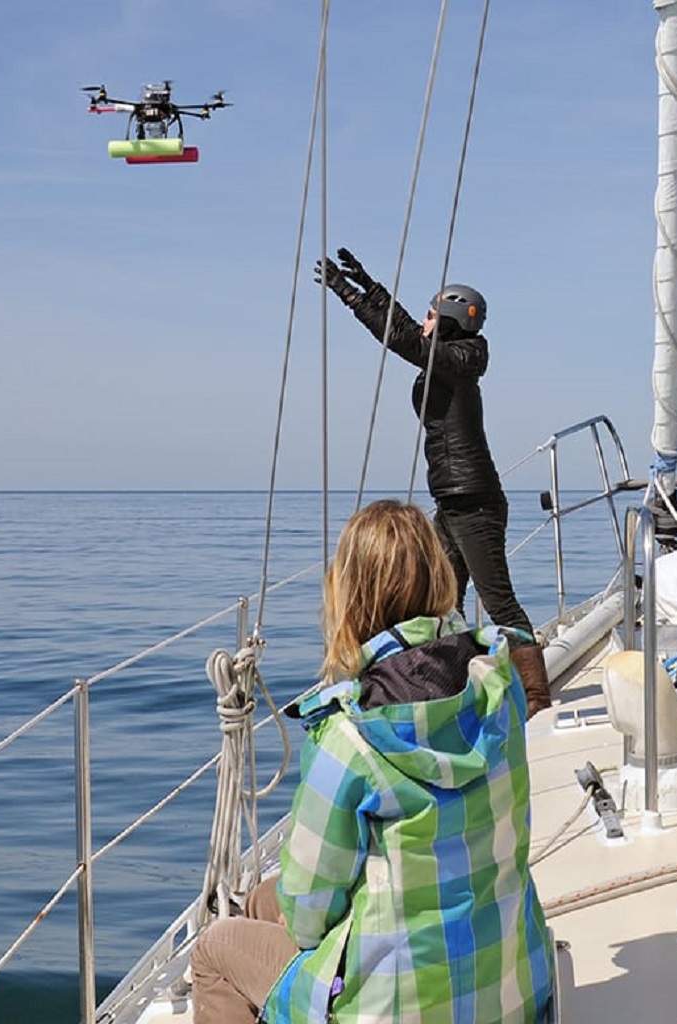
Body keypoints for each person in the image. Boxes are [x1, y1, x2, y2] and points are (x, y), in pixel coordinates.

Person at [191, 499, 555, 1023]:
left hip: (394, 1011)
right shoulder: (501, 695)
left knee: (217, 949)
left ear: (350, 596)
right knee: (260, 902)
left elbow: (310, 917)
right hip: (509, 997)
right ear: (441, 579)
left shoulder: (348, 737)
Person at [314, 249, 551, 718]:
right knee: (443, 605)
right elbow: (407, 331)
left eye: (430, 313)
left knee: (500, 603)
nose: (423, 320)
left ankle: (538, 700)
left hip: (475, 502)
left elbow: (406, 342)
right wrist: (371, 286)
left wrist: (348, 295)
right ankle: (447, 693)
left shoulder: (463, 357)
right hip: (453, 501)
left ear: (448, 318)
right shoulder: (448, 356)